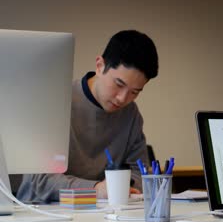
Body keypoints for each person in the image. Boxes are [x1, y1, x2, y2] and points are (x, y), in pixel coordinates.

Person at [17, 30, 159, 203]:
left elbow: (140, 173)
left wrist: (123, 187)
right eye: (118, 84)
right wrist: (96, 189)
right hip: (42, 212)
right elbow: (38, 182)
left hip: (100, 215)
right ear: (99, 66)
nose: (122, 98)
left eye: (134, 92)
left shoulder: (130, 115)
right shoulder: (54, 102)